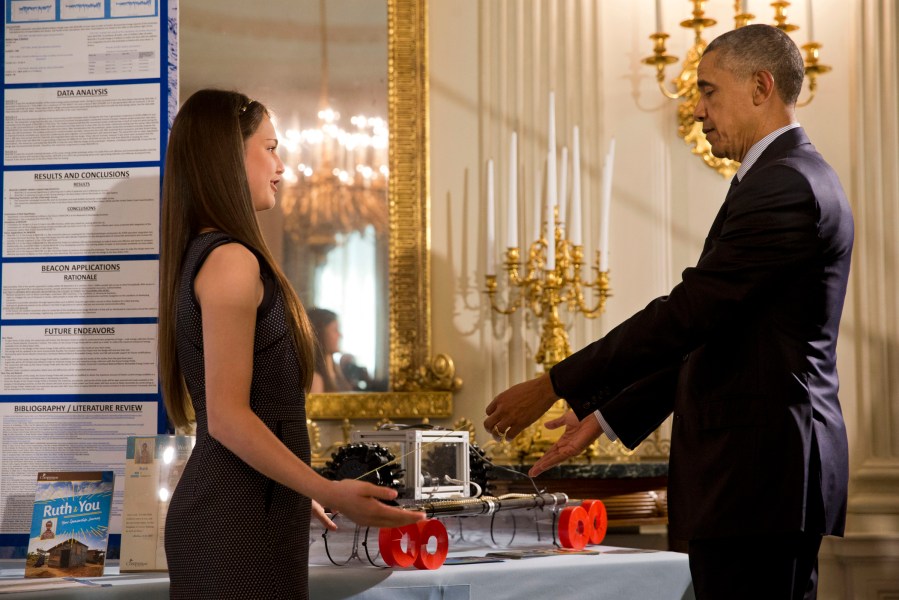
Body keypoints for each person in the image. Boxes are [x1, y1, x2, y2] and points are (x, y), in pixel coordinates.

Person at [484, 24, 852, 600]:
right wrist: (605, 417)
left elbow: (686, 314)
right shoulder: (779, 177)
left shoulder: (786, 184)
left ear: (761, 86)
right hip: (754, 475)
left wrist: (555, 382)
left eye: (708, 91)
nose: (697, 109)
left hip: (758, 473)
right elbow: (713, 330)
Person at [158, 89, 423, 600]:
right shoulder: (232, 260)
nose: (281, 166)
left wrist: (300, 490)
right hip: (232, 515)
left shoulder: (212, 255)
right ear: (228, 158)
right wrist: (327, 488)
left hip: (248, 506)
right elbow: (229, 418)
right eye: (271, 147)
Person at [307, 308, 354, 393]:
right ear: (320, 334)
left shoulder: (335, 370)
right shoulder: (315, 379)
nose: (340, 335)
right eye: (335, 330)